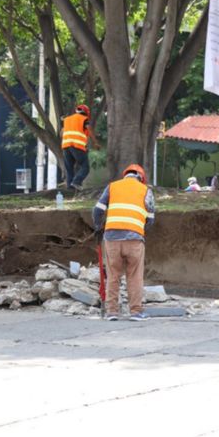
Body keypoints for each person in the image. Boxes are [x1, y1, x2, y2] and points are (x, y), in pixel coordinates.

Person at [92, 164, 155, 321]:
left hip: (112, 238)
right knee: (134, 276)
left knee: (113, 275)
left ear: (125, 175)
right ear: (141, 178)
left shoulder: (113, 187)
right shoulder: (145, 190)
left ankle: (112, 312)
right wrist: (139, 229)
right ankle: (136, 312)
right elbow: (151, 219)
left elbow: (98, 210)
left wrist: (98, 226)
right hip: (134, 239)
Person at [62, 104, 100, 190]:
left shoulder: (67, 119)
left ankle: (69, 188)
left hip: (66, 146)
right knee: (85, 167)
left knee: (69, 168)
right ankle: (76, 182)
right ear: (86, 113)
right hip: (77, 145)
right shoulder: (84, 119)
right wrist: (95, 142)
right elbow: (89, 129)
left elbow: (62, 132)